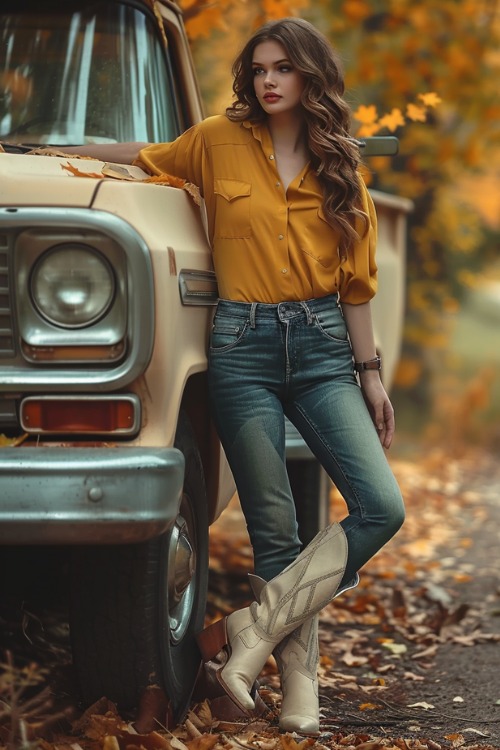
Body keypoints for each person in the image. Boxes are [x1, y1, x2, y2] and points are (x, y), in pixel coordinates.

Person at [58, 17, 405, 735]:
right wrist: (57, 151)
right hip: (241, 348)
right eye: (258, 69)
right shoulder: (216, 141)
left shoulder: (340, 164)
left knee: (381, 506)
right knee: (274, 528)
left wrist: (370, 374)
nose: (268, 80)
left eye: (283, 68)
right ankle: (299, 690)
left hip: (321, 349)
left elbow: (357, 286)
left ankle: (249, 632)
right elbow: (144, 157)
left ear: (310, 76)